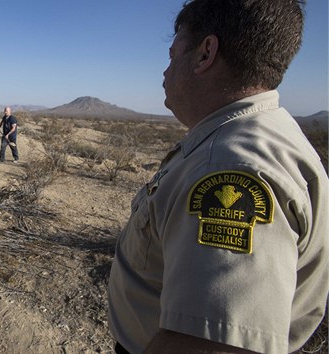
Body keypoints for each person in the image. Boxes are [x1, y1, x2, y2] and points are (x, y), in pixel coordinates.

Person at [107, 1, 328, 353]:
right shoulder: (250, 134)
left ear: (204, 54)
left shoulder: (231, 167)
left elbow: (216, 343)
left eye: (172, 54)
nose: (165, 72)